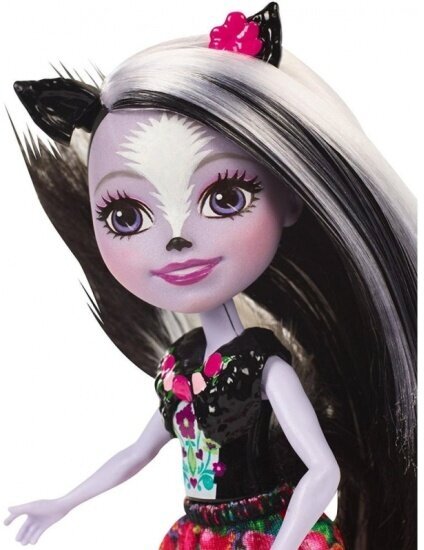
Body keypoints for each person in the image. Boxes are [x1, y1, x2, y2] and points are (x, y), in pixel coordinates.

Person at [5, 3, 416, 549]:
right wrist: (63, 503)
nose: (176, 238)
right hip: (202, 534)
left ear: (290, 198)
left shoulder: (263, 366)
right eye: (126, 216)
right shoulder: (180, 365)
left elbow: (324, 472)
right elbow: (136, 453)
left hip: (266, 532)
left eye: (224, 198)